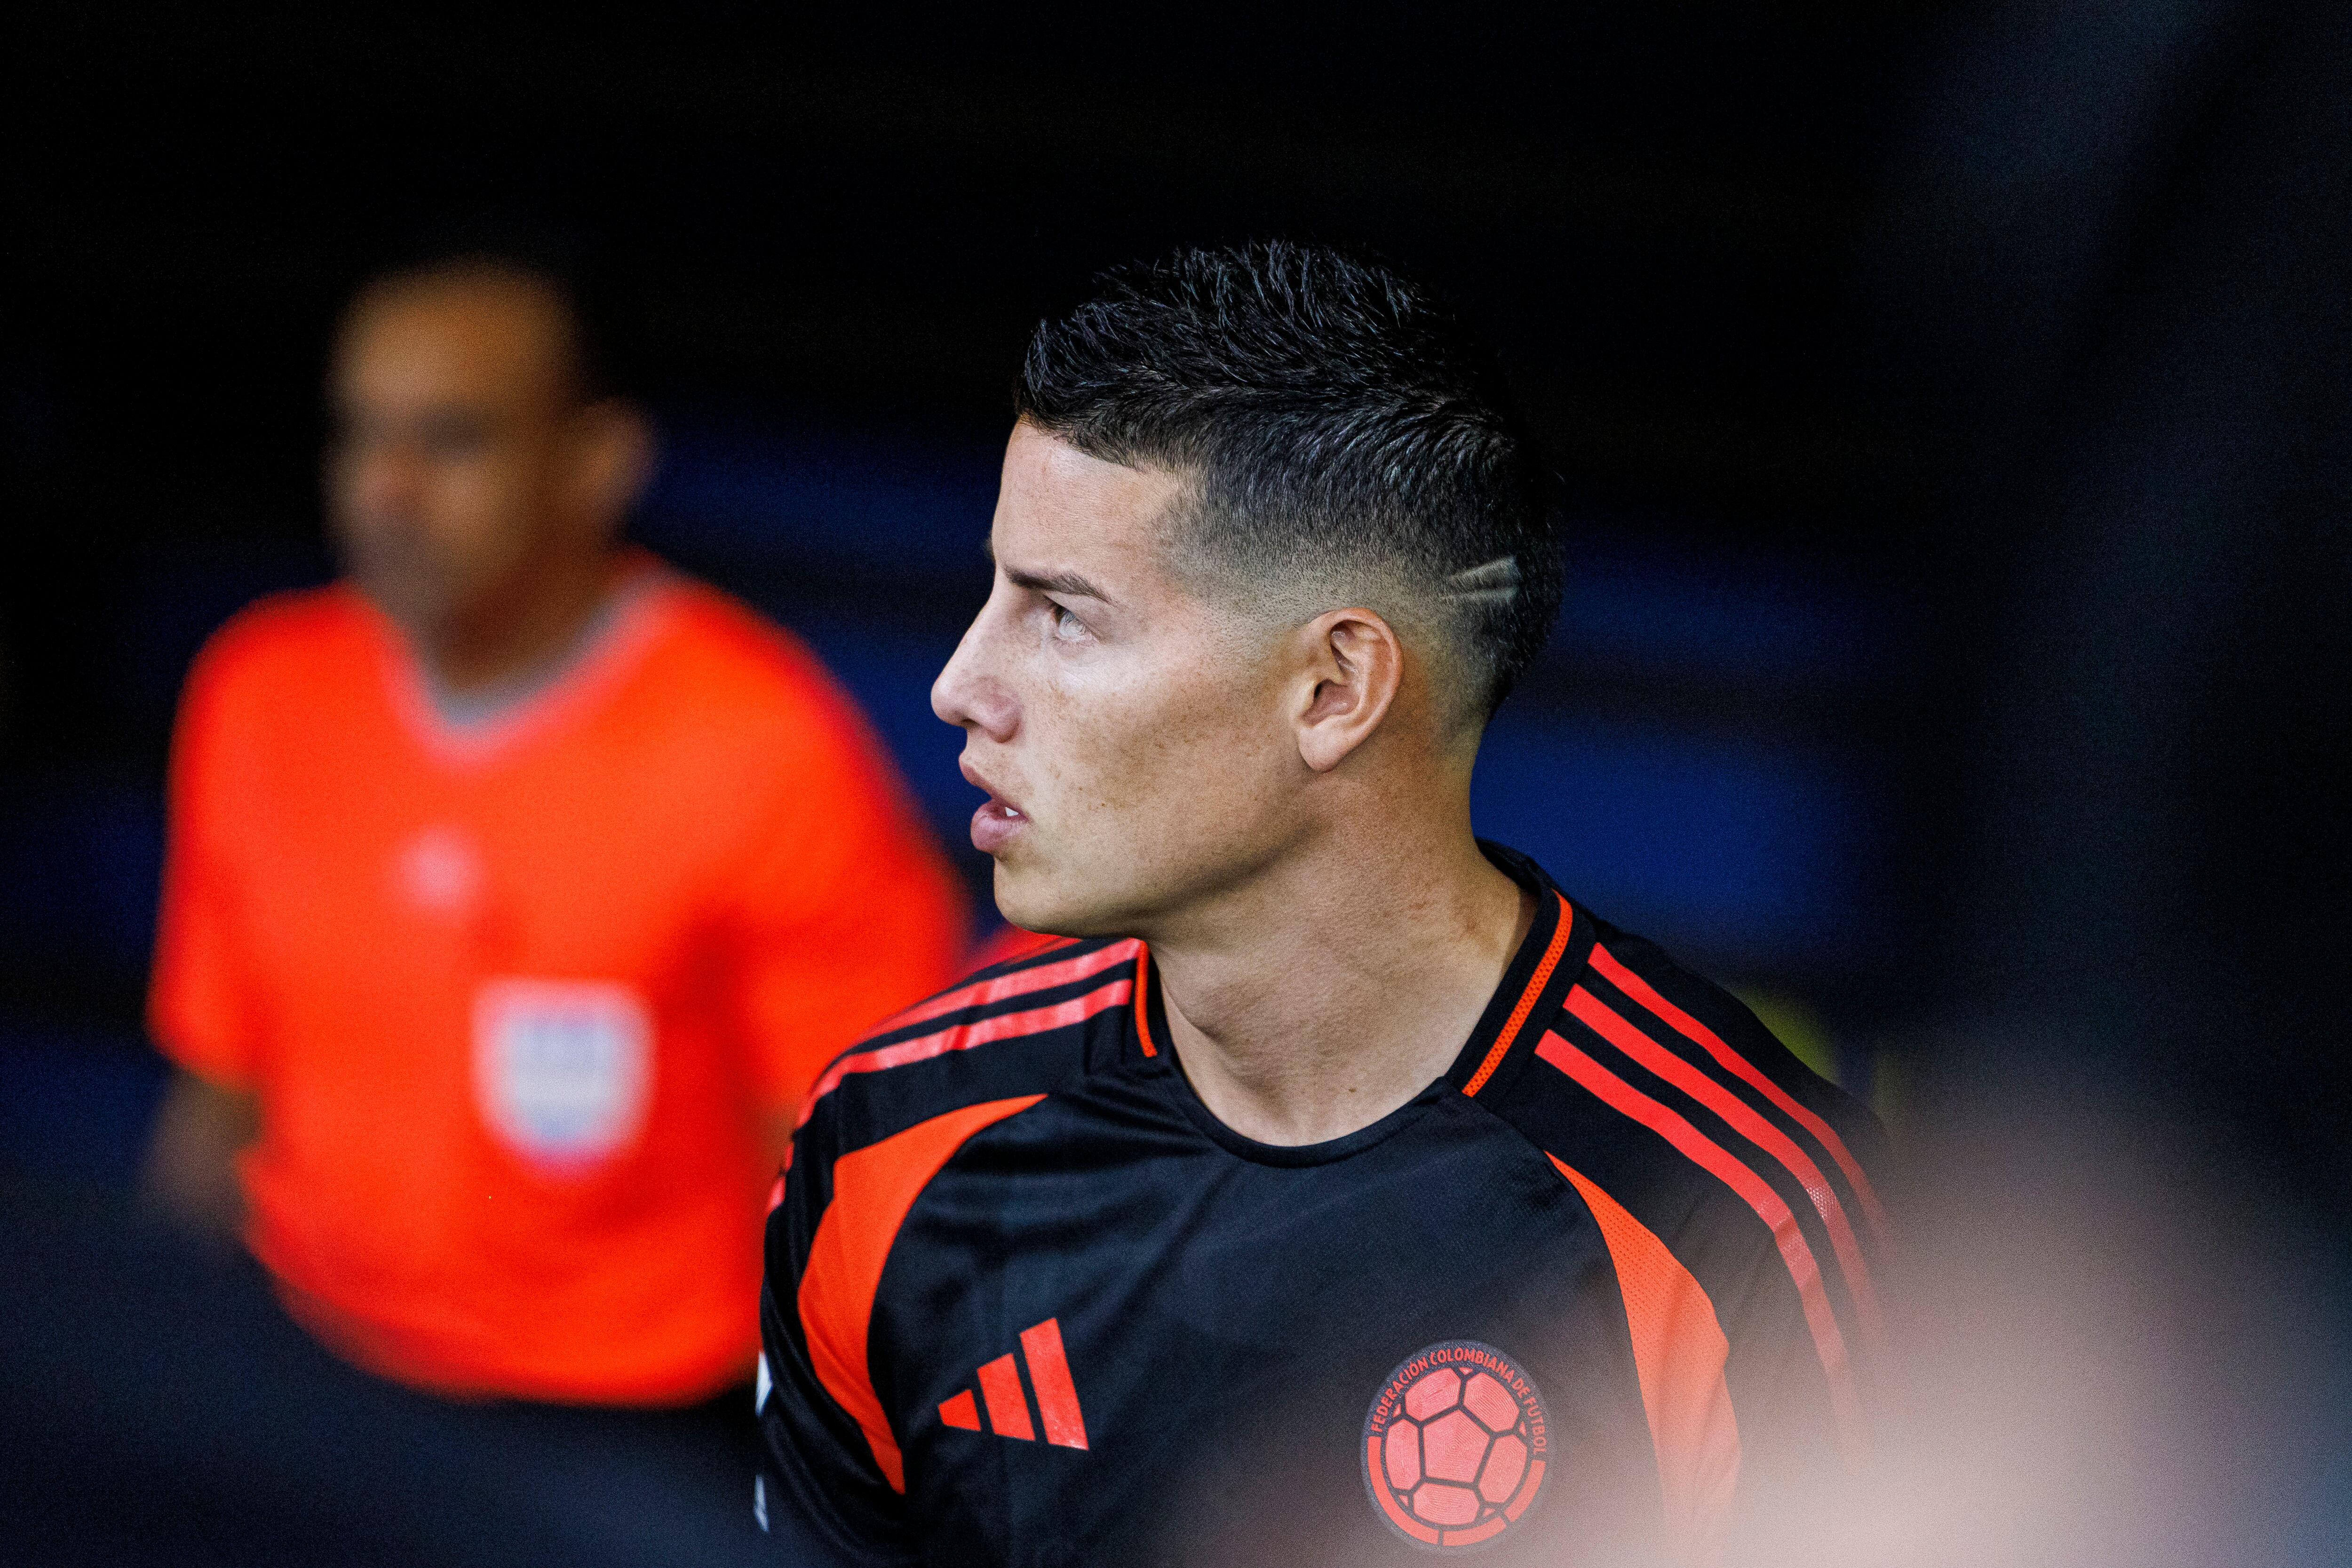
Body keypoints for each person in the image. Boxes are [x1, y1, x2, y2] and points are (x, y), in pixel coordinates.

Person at [754, 243, 1890, 1565]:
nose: (961, 684)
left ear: (1335, 688)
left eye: (1062, 614)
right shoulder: (887, 1145)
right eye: (996, 593)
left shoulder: (1741, 1216)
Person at [143, 248, 965, 1432]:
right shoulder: (260, 692)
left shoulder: (760, 743)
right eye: (360, 435)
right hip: (311, 1371)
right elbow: (219, 1088)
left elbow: (864, 1165)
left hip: (626, 1422)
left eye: (454, 439)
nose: (388, 487)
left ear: (597, 463)